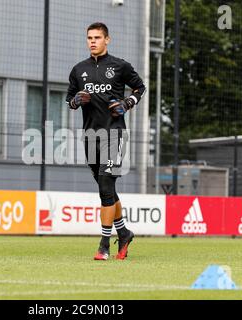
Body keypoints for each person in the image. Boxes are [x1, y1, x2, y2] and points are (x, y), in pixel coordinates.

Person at [66, 22, 146, 260]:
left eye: (97, 37)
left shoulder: (120, 66)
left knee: (104, 187)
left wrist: (126, 104)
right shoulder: (78, 69)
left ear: (107, 40)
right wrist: (76, 100)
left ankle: (103, 245)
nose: (92, 41)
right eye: (89, 37)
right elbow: (70, 99)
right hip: (90, 137)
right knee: (107, 189)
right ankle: (124, 233)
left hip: (114, 134)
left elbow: (140, 87)